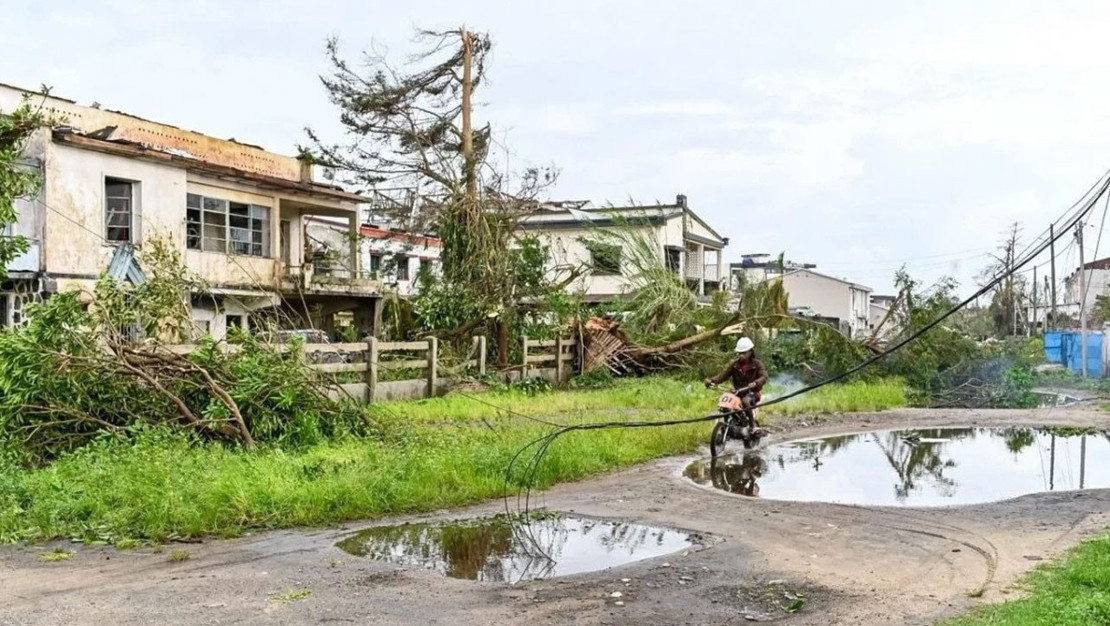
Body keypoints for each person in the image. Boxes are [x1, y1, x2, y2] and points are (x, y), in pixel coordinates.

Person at [704, 337, 768, 426]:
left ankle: (752, 425)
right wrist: (712, 380)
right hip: (738, 392)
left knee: (745, 402)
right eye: (739, 353)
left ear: (750, 352)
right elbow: (723, 375)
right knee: (725, 404)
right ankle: (728, 424)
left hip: (752, 393)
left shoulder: (757, 364)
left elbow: (764, 376)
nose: (741, 355)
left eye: (744, 353)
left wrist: (756, 383)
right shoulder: (734, 365)